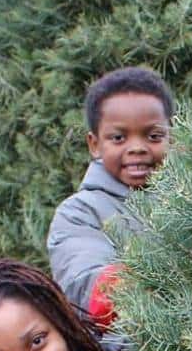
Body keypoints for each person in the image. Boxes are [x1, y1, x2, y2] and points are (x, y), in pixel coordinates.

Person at [47, 65, 174, 329]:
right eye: (118, 138)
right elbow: (82, 285)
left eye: (153, 136)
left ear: (172, 136)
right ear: (94, 144)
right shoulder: (79, 213)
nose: (137, 148)